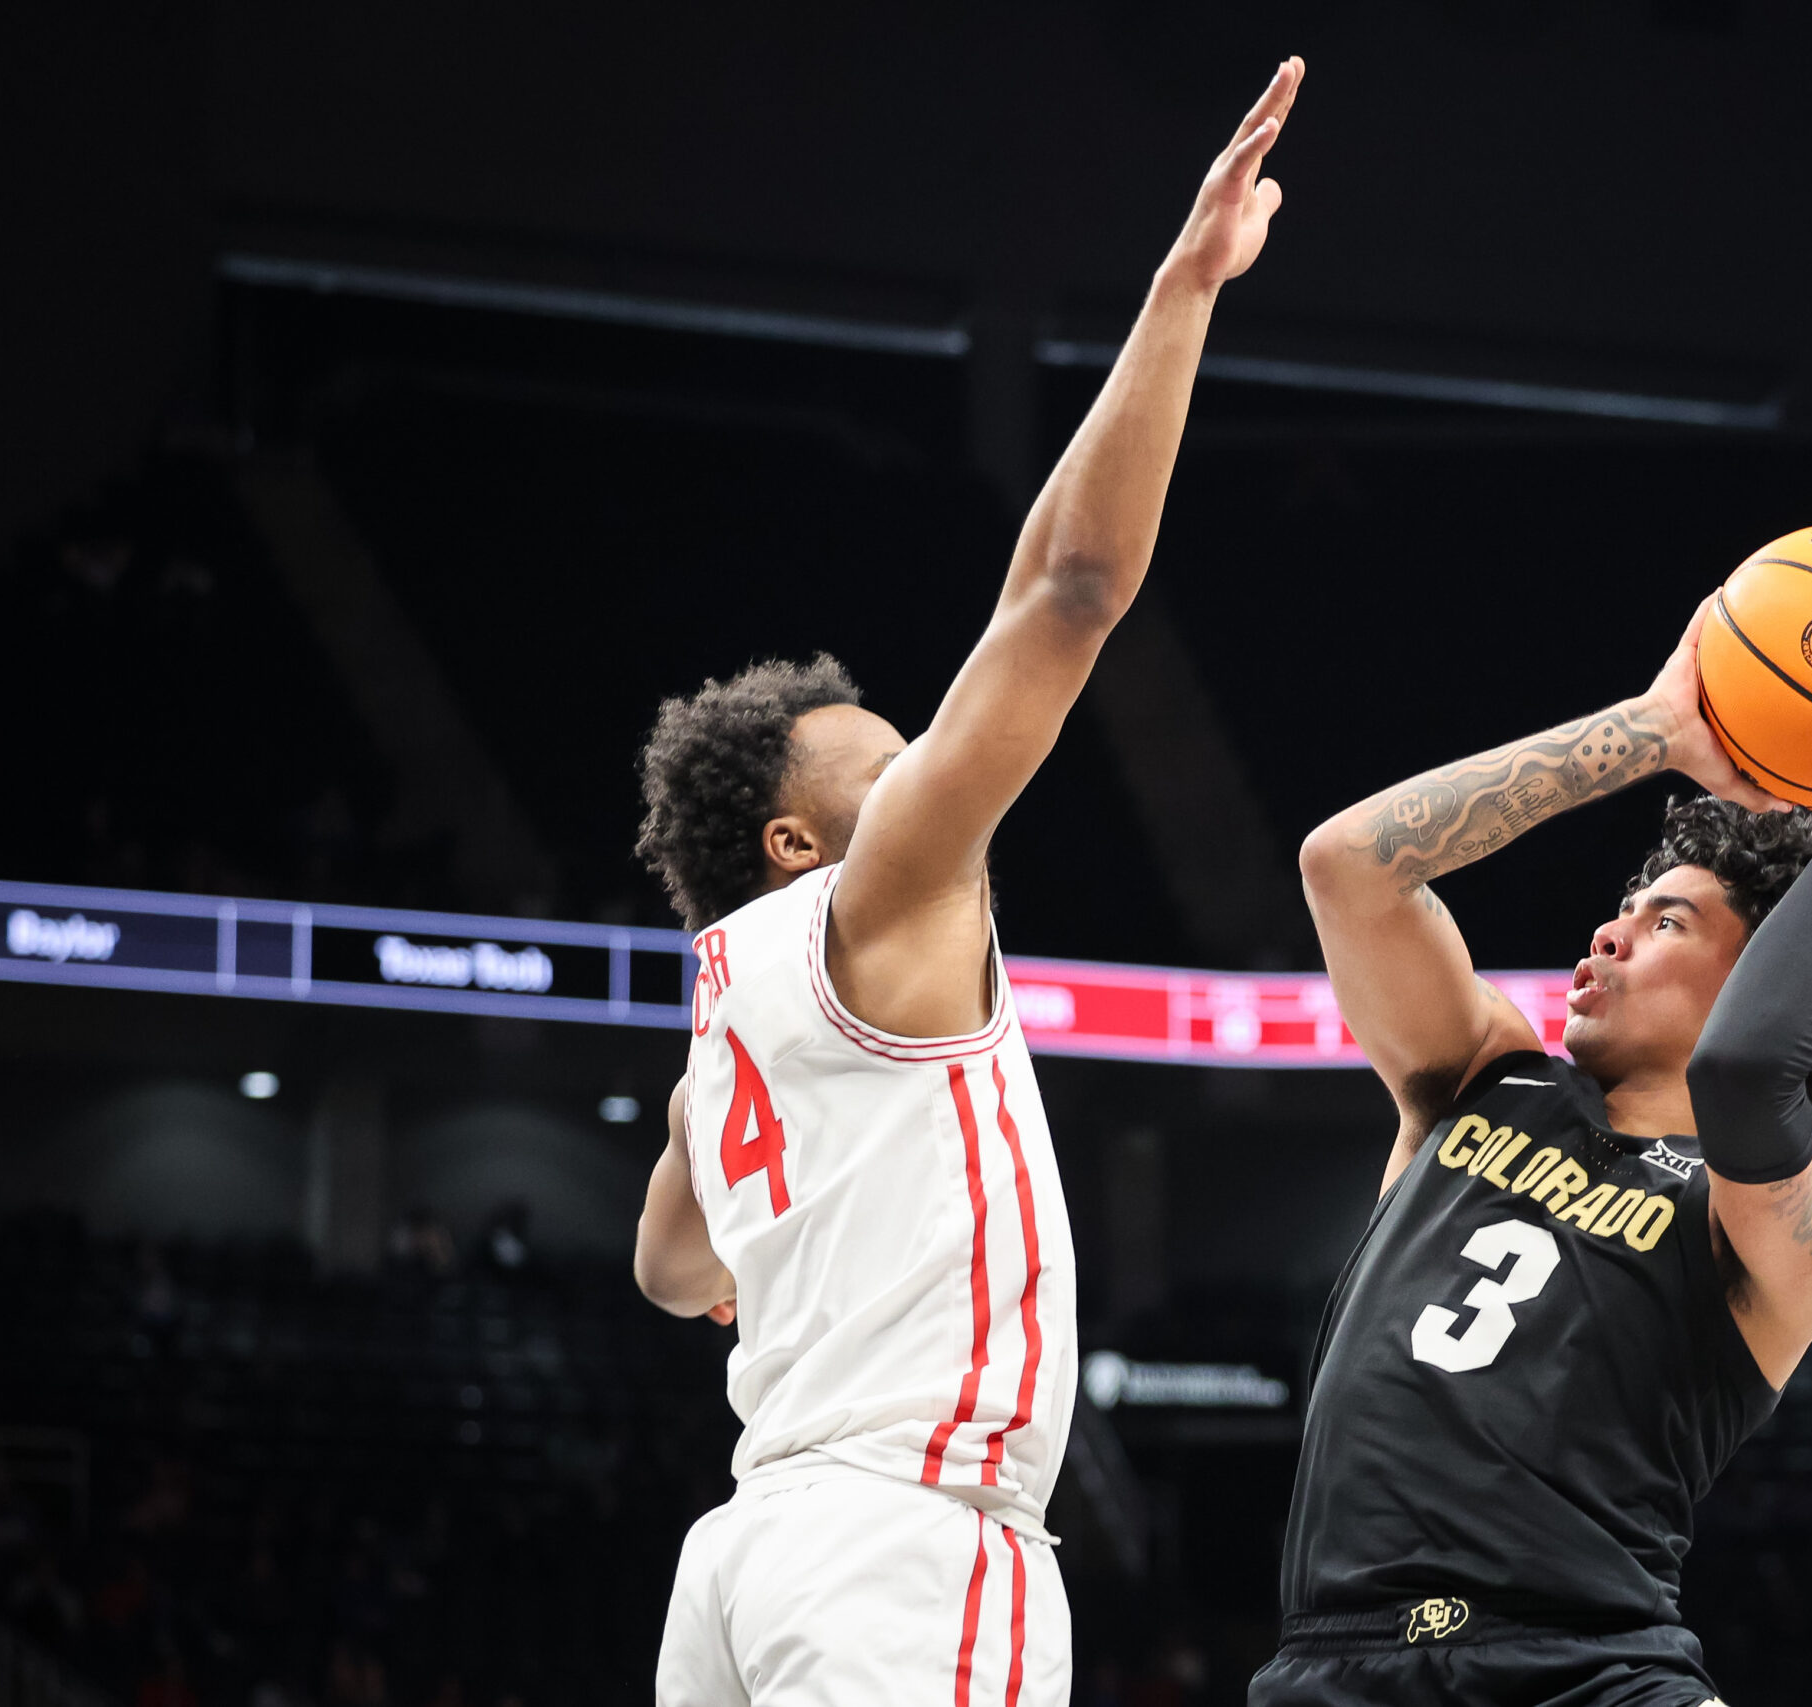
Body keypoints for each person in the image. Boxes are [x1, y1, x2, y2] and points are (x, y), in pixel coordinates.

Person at [630, 57, 1307, 1707]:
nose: (929, 771)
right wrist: (1181, 291)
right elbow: (1067, 590)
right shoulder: (873, 905)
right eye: (887, 765)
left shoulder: (721, 1021)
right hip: (903, 1541)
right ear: (797, 840)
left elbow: (669, 1269)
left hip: (745, 1552)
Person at [1253, 581, 1812, 1705]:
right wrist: (1651, 732)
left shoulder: (1810, 1218)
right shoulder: (1481, 1075)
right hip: (1334, 1666)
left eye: (1668, 921)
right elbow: (1346, 864)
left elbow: (1743, 1071)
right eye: (1627, 907)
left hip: (1593, 1670)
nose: (1609, 932)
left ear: (1763, 975)